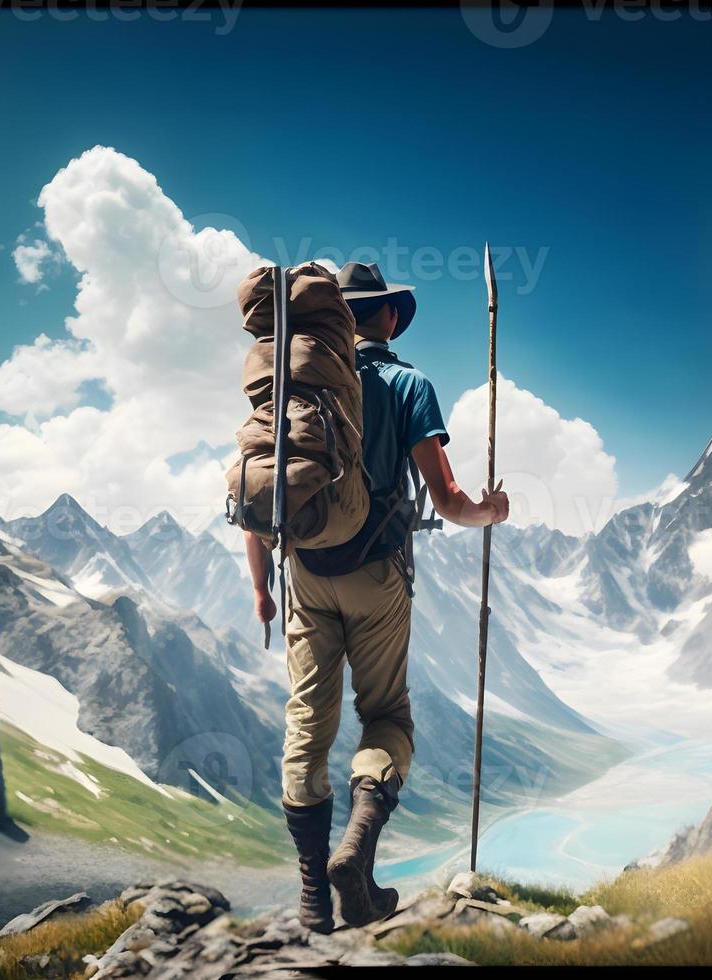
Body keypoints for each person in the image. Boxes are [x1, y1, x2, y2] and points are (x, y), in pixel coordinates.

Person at [245, 261, 511, 932]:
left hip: (304, 570)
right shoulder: (408, 383)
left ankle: (314, 899)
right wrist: (492, 512)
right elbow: (447, 501)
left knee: (307, 725)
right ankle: (358, 849)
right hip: (379, 573)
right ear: (388, 316)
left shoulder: (289, 387)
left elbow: (258, 494)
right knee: (387, 714)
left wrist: (260, 588)